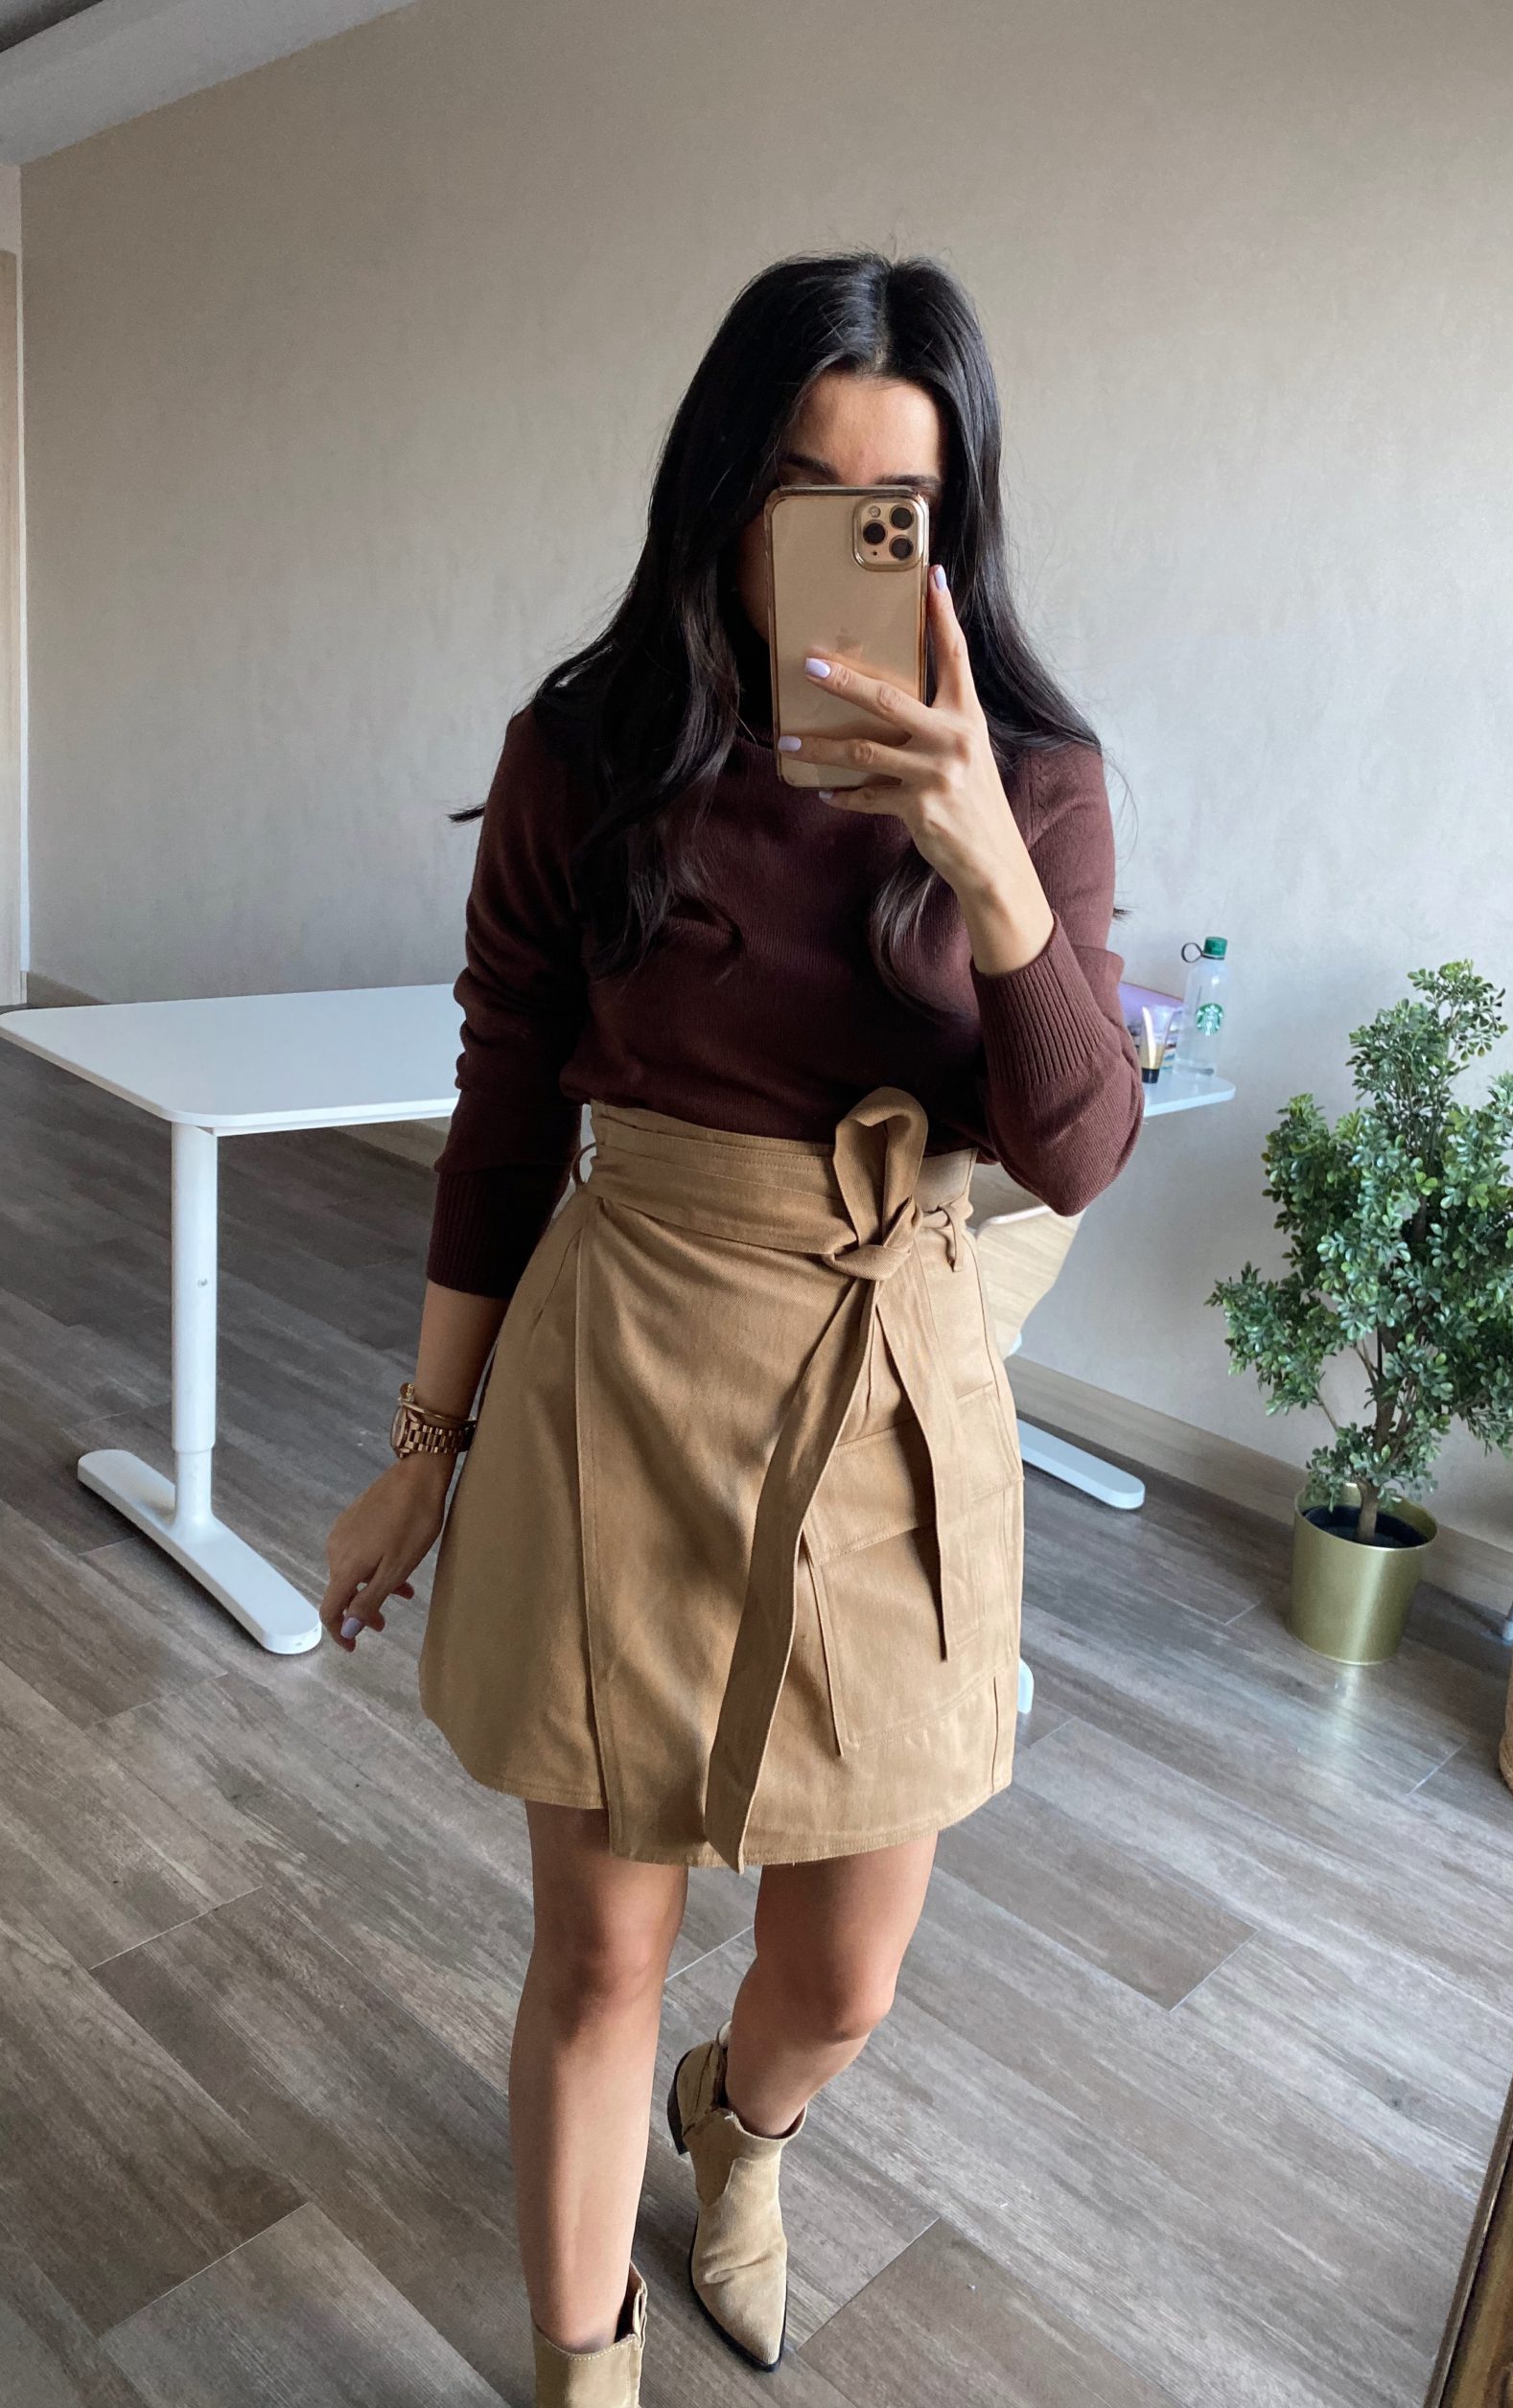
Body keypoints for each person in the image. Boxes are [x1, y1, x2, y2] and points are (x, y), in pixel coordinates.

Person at [320, 248, 1143, 2407]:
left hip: (890, 1388)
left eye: (899, 507)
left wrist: (987, 862)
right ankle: (582, 2364)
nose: (848, 544)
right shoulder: (587, 754)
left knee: (843, 1974)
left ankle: (743, 2125)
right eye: (805, 490)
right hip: (625, 1369)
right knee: (601, 1949)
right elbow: (506, 1111)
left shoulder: (1038, 778)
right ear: (724, 492)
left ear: (948, 532)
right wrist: (423, 1446)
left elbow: (1076, 1148)